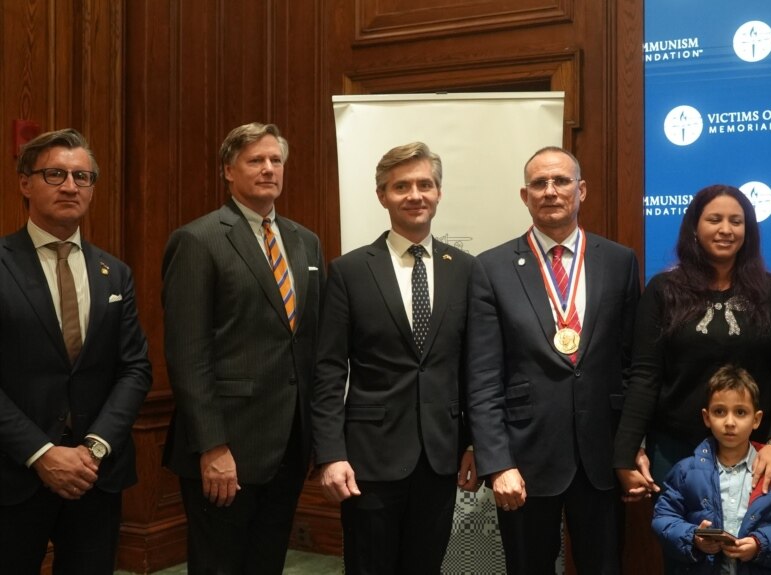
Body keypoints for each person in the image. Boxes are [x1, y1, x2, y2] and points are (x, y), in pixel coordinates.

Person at [467, 146, 640, 575]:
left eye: (561, 181)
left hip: (602, 456)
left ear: (581, 191)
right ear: (524, 196)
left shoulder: (619, 261)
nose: (551, 191)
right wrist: (497, 462)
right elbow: (483, 375)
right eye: (539, 184)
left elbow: (633, 363)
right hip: (525, 458)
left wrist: (634, 445)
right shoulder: (491, 268)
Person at [162, 122, 324, 574]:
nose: (269, 168)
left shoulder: (304, 240)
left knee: (267, 561)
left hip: (290, 442)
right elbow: (187, 353)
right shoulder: (199, 240)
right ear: (228, 172)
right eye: (256, 160)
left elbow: (309, 342)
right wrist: (212, 447)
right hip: (228, 445)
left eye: (276, 160)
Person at [312, 142, 480, 575]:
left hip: (440, 457)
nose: (415, 194)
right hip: (368, 459)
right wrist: (330, 454)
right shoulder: (349, 271)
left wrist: (474, 443)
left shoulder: (464, 269)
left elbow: (475, 367)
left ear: (439, 193)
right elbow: (329, 368)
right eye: (401, 186)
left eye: (425, 184)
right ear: (382, 195)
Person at [0, 128, 153, 573]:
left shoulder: (115, 273)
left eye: (82, 177)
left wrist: (95, 448)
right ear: (25, 183)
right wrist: (42, 453)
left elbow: (135, 368)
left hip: (95, 476)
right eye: (56, 174)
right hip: (14, 473)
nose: (71, 186)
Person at [613, 185, 771, 499]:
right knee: (684, 543)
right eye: (714, 219)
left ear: (748, 231)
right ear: (694, 228)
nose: (725, 229)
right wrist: (625, 454)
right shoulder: (663, 291)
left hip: (757, 454)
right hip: (676, 451)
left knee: (753, 545)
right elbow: (644, 377)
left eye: (736, 221)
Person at [653, 365, 771, 575]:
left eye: (740, 412)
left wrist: (761, 544)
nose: (730, 422)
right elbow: (664, 518)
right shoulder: (686, 471)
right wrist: (693, 537)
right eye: (719, 412)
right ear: (707, 418)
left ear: (757, 419)